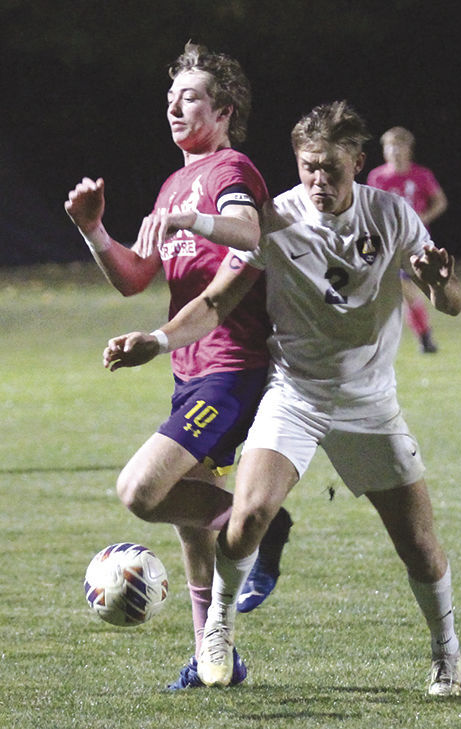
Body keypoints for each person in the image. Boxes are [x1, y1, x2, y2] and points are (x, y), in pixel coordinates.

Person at [103, 100, 461, 697]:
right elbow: (218, 301)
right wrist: (158, 341)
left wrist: (438, 280)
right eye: (307, 168)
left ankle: (446, 654)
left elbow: (451, 302)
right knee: (247, 517)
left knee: (419, 546)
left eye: (331, 168)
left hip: (369, 402)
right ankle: (217, 626)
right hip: (293, 392)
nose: (318, 180)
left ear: (358, 161)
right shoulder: (276, 221)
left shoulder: (392, 215)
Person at [65, 42, 292, 690]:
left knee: (142, 490)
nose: (174, 104)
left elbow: (249, 234)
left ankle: (259, 525)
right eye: (171, 96)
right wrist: (94, 231)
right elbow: (137, 277)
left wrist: (194, 216)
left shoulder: (230, 169)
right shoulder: (173, 183)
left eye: (189, 95)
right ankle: (214, 656)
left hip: (233, 367)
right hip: (192, 371)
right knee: (192, 527)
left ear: (223, 110)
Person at [367, 126, 449, 353]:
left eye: (399, 146)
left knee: (409, 289)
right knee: (402, 290)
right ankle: (423, 337)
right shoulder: (377, 176)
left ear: (408, 149)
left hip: (415, 243)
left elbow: (440, 201)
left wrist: (423, 217)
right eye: (390, 146)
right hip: (388, 243)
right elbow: (371, 209)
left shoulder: (421, 175)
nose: (394, 151)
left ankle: (423, 335)